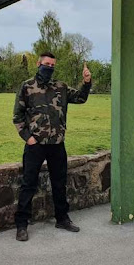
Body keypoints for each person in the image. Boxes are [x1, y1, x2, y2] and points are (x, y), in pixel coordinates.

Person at [12, 51, 92, 242]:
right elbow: (18, 116)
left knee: (59, 182)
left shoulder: (61, 87)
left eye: (52, 66)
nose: (49, 68)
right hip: (36, 144)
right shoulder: (27, 87)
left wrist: (87, 82)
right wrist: (28, 138)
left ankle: (62, 218)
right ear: (38, 64)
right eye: (46, 64)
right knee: (28, 184)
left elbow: (80, 98)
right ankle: (22, 224)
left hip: (57, 143)